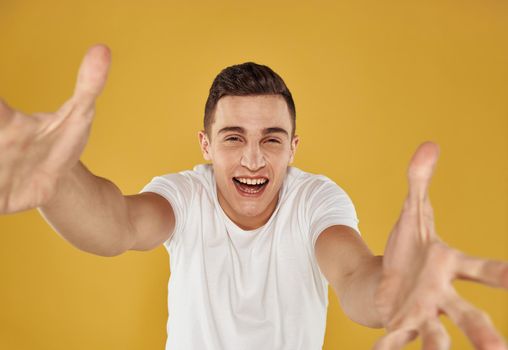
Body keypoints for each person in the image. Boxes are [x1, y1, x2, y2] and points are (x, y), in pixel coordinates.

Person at [0, 45, 506, 350]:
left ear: (293, 148)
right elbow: (119, 226)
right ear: (206, 144)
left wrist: (392, 291)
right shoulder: (186, 193)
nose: (253, 160)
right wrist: (60, 180)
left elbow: (353, 273)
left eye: (271, 139)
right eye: (233, 137)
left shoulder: (315, 201)